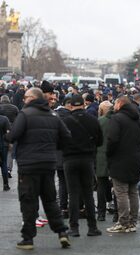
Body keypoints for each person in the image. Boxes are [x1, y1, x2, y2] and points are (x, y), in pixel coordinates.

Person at [5, 88, 71, 250]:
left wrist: (8, 136)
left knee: (28, 200)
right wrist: (54, 147)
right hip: (48, 163)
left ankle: (28, 238)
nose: (24, 99)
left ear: (33, 98)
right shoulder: (52, 115)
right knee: (50, 200)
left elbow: (13, 135)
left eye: (26, 97)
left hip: (28, 164)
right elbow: (67, 137)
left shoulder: (25, 114)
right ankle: (62, 232)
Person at [62, 95, 103, 237]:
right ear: (84, 105)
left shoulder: (65, 121)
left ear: (71, 106)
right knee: (88, 194)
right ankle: (92, 227)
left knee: (73, 194)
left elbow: (58, 142)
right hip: (87, 159)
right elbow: (100, 141)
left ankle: (74, 228)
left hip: (69, 160)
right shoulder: (93, 120)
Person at [106, 95, 140, 233]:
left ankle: (123, 222)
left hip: (119, 159)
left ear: (120, 103)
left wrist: (108, 154)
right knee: (133, 191)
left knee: (121, 191)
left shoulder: (117, 118)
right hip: (134, 159)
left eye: (115, 103)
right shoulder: (138, 119)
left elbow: (112, 139)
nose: (114, 106)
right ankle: (133, 222)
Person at [96, 100, 116, 222]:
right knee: (118, 186)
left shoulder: (99, 121)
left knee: (101, 186)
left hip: (101, 157)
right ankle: (117, 214)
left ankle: (101, 213)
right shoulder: (118, 120)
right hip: (115, 157)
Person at [55, 97, 72, 219]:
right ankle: (73, 206)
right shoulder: (72, 118)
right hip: (69, 154)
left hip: (56, 155)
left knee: (61, 182)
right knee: (72, 182)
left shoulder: (54, 116)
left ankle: (63, 207)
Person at [0, 114, 10, 191]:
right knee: (4, 164)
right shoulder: (4, 119)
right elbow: (8, 132)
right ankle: (5, 185)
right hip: (3, 145)